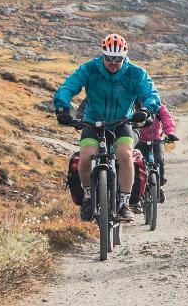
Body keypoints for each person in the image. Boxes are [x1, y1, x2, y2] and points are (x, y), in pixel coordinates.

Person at [54, 33, 161, 223]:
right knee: (85, 158)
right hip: (93, 122)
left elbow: (151, 93)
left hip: (122, 123)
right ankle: (88, 197)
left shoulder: (135, 73)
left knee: (125, 155)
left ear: (124, 57)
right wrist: (62, 107)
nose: (113, 63)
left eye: (117, 59)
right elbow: (68, 86)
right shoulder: (90, 69)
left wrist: (145, 110)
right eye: (109, 58)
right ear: (102, 55)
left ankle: (124, 203)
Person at [134, 102, 178, 188]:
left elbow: (166, 118)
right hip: (139, 141)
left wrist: (170, 133)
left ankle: (160, 185)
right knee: (139, 164)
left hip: (156, 140)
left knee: (159, 160)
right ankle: (139, 189)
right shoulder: (134, 105)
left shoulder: (158, 106)